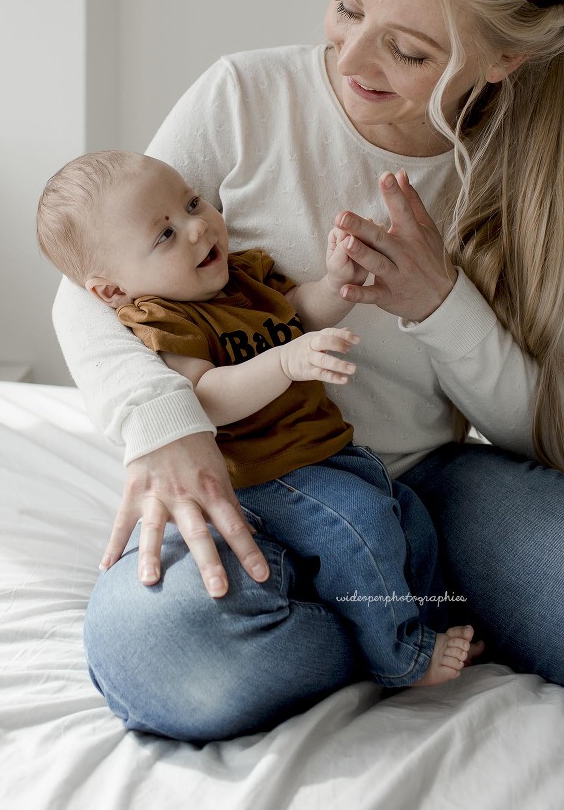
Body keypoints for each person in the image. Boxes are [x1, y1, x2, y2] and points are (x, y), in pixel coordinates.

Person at [52, 0, 564, 741]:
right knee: (168, 656)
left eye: (406, 50)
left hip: (426, 491)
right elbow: (88, 289)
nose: (352, 54)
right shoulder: (247, 98)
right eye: (346, 5)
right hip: (253, 479)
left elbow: (536, 429)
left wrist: (440, 303)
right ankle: (388, 626)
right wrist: (161, 424)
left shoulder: (528, 174)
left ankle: (397, 599)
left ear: (503, 61)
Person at [37, 150, 482, 690]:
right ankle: (400, 659)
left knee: (406, 517)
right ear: (112, 291)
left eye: (193, 203)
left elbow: (297, 313)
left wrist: (337, 280)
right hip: (262, 473)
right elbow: (204, 397)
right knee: (358, 524)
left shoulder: (244, 277)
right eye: (165, 235)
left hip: (322, 452)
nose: (198, 228)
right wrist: (285, 362)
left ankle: (427, 623)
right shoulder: (162, 317)